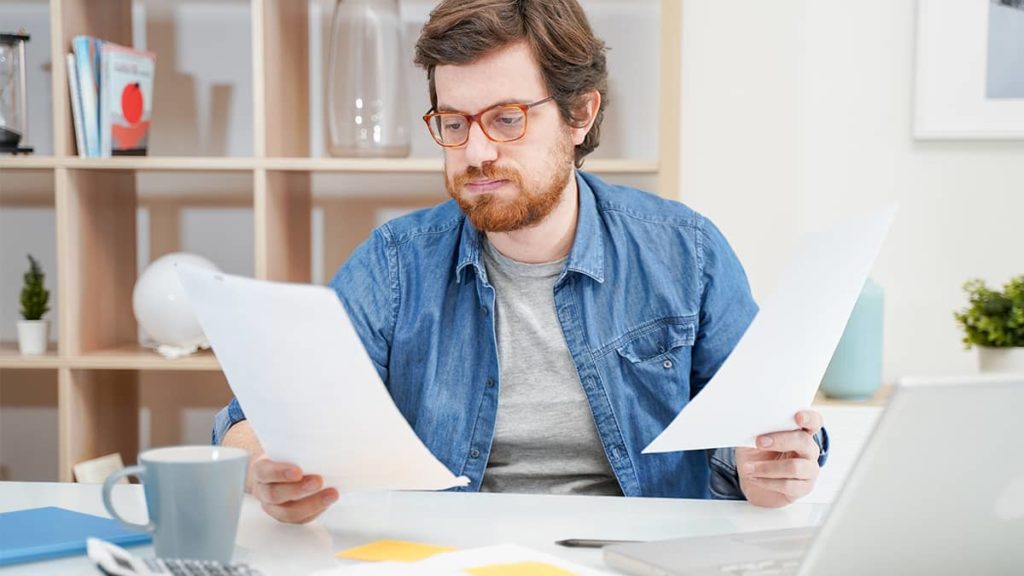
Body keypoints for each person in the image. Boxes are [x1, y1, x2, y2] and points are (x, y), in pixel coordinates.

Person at [214, 0, 828, 524]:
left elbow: (766, 429)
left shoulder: (684, 251)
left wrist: (770, 468)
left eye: (507, 118)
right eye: (454, 123)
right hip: (448, 556)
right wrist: (265, 466)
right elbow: (248, 419)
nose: (476, 151)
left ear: (579, 115)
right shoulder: (397, 263)